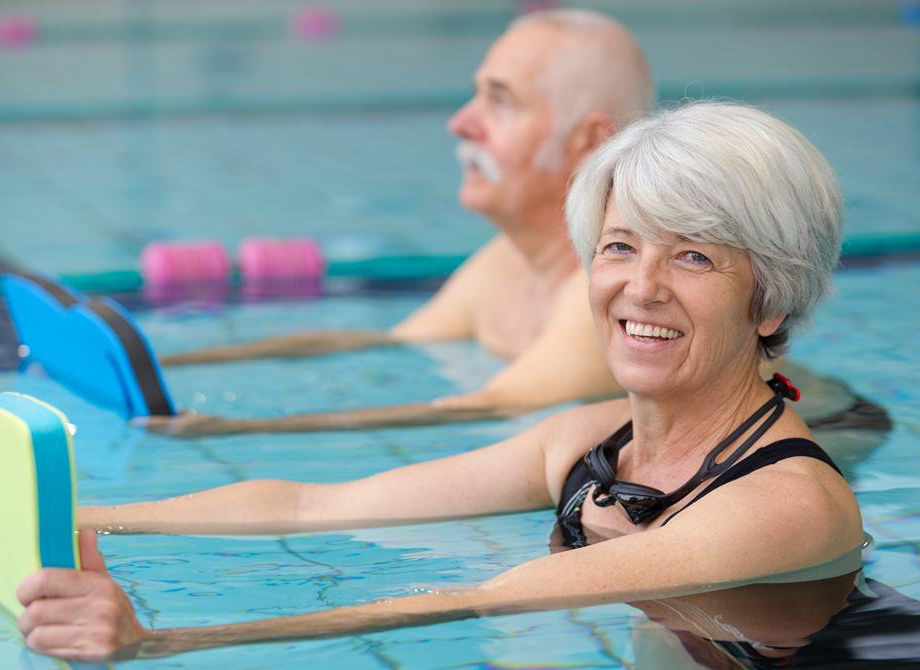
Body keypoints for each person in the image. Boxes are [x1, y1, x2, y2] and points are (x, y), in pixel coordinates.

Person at [18, 101, 873, 662]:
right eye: (621, 245)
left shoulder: (785, 505)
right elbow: (321, 507)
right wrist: (65, 513)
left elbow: (473, 599)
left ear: (770, 300)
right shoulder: (585, 440)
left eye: (692, 256)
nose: (639, 287)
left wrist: (158, 643)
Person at [143, 9, 652, 436]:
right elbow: (388, 343)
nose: (460, 122)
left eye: (501, 101)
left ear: (589, 144)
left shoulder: (603, 298)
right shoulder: (507, 261)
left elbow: (491, 405)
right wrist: (163, 366)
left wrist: (235, 429)